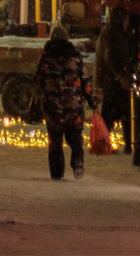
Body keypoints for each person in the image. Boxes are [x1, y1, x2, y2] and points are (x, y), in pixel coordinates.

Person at [35, 26, 95, 180]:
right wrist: (92, 103)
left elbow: (38, 80)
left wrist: (43, 95)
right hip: (73, 107)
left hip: (53, 107)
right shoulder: (75, 59)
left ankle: (56, 171)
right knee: (75, 138)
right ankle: (77, 161)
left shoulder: (46, 59)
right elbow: (86, 83)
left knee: (55, 141)